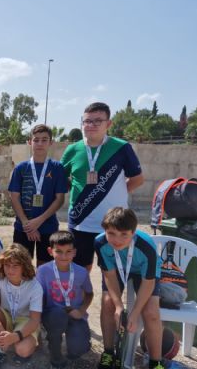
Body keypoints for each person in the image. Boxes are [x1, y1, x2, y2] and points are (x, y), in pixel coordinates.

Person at [94, 207, 176, 369]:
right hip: (116, 270)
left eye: (124, 234)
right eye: (111, 233)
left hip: (143, 274)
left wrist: (135, 312)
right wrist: (118, 306)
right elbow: (109, 275)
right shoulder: (100, 243)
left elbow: (148, 283)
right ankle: (108, 353)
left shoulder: (146, 247)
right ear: (105, 231)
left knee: (151, 313)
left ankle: (156, 363)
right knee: (107, 302)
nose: (117, 240)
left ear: (134, 232)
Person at [61, 102, 144, 271]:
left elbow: (137, 179)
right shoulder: (72, 149)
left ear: (109, 123)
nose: (91, 125)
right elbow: (62, 179)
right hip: (80, 223)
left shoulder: (122, 148)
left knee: (113, 272)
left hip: (114, 225)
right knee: (79, 273)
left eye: (97, 121)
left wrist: (115, 193)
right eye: (87, 121)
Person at [9, 124, 67, 266]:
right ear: (30, 142)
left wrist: (38, 221)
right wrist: (27, 224)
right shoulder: (21, 168)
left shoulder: (57, 168)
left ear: (51, 143)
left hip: (48, 226)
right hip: (23, 227)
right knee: (21, 267)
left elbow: (59, 199)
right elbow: (14, 197)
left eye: (44, 140)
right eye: (36, 140)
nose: (40, 143)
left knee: (45, 268)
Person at [0, 244, 43, 369]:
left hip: (25, 321)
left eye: (15, 266)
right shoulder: (0, 277)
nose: (10, 270)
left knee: (22, 351)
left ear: (24, 266)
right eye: (7, 265)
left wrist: (15, 337)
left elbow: (34, 320)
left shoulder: (35, 286)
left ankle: (29, 340)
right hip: (7, 316)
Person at [37, 230, 93, 368]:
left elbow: (89, 293)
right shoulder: (43, 270)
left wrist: (81, 310)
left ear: (74, 252)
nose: (64, 256)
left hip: (75, 314)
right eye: (59, 251)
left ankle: (76, 338)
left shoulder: (81, 271)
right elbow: (39, 295)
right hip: (53, 313)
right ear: (50, 251)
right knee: (57, 318)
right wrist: (38, 318)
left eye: (68, 251)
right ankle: (55, 351)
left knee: (78, 350)